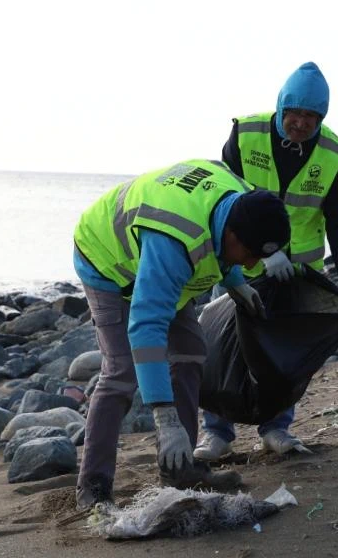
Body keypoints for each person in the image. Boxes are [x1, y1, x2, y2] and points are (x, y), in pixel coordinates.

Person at [72, 159, 291, 510]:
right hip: (107, 261)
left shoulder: (249, 202)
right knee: (121, 372)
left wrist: (236, 282)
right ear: (233, 236)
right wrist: (164, 418)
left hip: (165, 265)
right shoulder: (174, 242)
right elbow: (146, 326)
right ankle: (93, 488)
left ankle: (180, 470)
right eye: (248, 257)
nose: (251, 266)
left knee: (190, 352)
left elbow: (227, 250)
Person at [195, 61, 338, 461]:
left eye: (311, 116)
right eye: (294, 113)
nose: (300, 123)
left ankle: (276, 428)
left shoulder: (333, 153)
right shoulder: (247, 134)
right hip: (237, 262)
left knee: (286, 353)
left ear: (321, 118)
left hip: (296, 272)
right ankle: (216, 435)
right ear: (280, 108)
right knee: (221, 346)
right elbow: (223, 199)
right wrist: (267, 251)